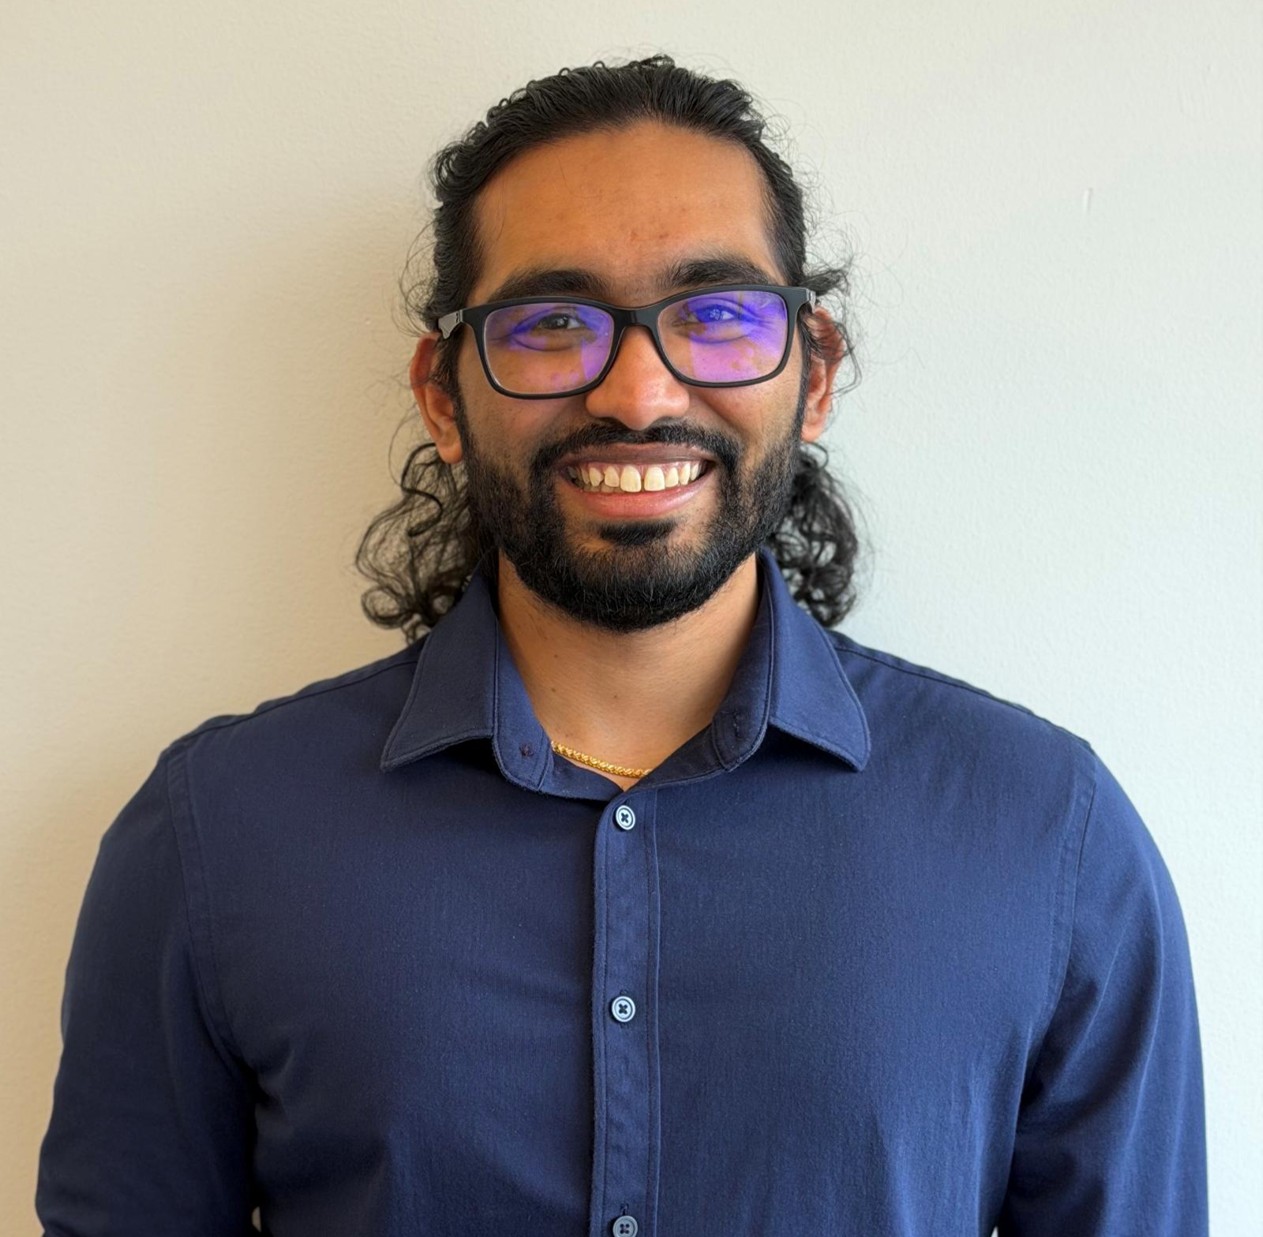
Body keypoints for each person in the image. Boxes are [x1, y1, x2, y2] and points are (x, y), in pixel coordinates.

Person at [37, 56, 1206, 1237]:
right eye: (553, 323)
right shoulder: (217, 834)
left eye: (717, 314)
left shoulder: (1045, 837)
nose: (639, 394)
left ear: (814, 373)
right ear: (443, 395)